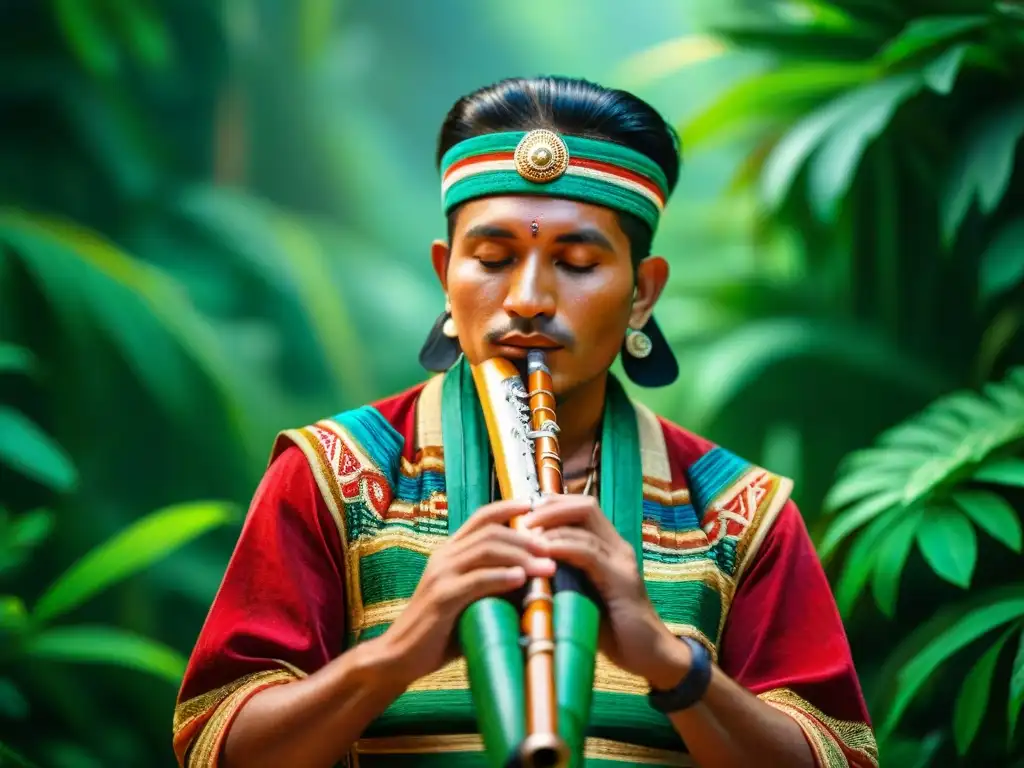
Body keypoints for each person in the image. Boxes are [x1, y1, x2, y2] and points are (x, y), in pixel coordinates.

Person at [172, 76, 878, 768]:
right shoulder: (332, 475)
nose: (530, 298)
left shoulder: (740, 513)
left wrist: (668, 661)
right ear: (447, 274)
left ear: (642, 294)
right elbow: (218, 748)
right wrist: (396, 653)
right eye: (494, 259)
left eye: (575, 262)